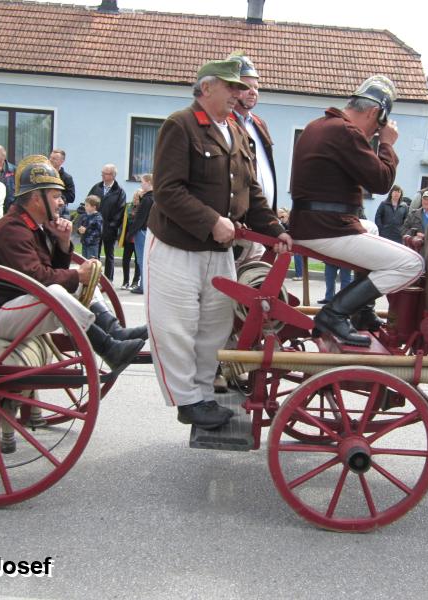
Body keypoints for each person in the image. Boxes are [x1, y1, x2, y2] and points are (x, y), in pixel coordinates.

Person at [146, 58, 291, 430]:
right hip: (178, 245)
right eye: (231, 87)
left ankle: (203, 393)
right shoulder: (180, 125)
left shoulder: (236, 130)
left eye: (240, 87)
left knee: (216, 323)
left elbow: (250, 191)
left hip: (220, 248)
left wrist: (274, 229)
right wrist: (212, 221)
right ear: (206, 88)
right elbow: (167, 191)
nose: (238, 93)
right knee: (177, 326)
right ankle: (187, 400)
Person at [0, 155, 146, 379]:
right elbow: (38, 279)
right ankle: (107, 347)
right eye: (55, 196)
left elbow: (52, 273)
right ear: (36, 199)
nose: (61, 202)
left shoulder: (31, 226)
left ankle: (114, 332)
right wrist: (77, 275)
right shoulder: (12, 229)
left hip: (21, 307)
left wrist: (62, 243)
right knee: (55, 293)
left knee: (74, 284)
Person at [289, 75, 423, 346]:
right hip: (326, 228)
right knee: (412, 264)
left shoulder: (318, 125)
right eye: (378, 126)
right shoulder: (346, 132)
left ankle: (362, 311)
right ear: (374, 112)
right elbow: (381, 182)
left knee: (371, 229)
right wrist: (387, 144)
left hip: (311, 223)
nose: (374, 133)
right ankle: (335, 313)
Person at [227, 52, 277, 212]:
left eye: (256, 87)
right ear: (232, 89)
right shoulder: (223, 122)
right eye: (247, 86)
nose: (253, 92)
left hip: (264, 215)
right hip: (239, 216)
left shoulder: (259, 124)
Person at [88, 164, 125, 282]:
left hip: (109, 229)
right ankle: (95, 279)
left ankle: (109, 280)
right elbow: (88, 202)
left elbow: (120, 210)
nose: (103, 175)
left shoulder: (119, 191)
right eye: (102, 173)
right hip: (95, 227)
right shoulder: (96, 187)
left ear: (113, 175)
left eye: (106, 173)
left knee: (109, 255)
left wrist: (112, 226)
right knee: (95, 254)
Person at [126, 173, 153, 294]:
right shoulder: (154, 197)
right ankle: (146, 285)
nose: (141, 184)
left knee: (142, 260)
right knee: (146, 260)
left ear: (148, 182)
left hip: (142, 231)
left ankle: (143, 286)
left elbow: (140, 218)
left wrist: (130, 233)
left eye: (142, 182)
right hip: (149, 231)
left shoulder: (147, 199)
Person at [118, 190, 140, 290]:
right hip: (128, 238)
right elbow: (123, 222)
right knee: (125, 260)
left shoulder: (143, 208)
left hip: (138, 239)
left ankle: (135, 282)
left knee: (138, 261)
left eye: (137, 198)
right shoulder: (128, 207)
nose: (135, 200)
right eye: (134, 197)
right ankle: (125, 281)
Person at [49, 149, 75, 217]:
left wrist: (55, 195)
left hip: (59, 213)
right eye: (50, 157)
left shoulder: (67, 178)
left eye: (54, 159)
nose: (50, 160)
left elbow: (71, 197)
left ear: (62, 161)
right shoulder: (44, 175)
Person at [77, 195, 103, 259]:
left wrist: (86, 231)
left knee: (91, 261)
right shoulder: (84, 216)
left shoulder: (98, 218)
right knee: (84, 261)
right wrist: (79, 230)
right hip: (84, 243)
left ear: (94, 207)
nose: (85, 207)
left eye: (87, 205)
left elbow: (98, 232)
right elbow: (80, 226)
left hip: (92, 244)